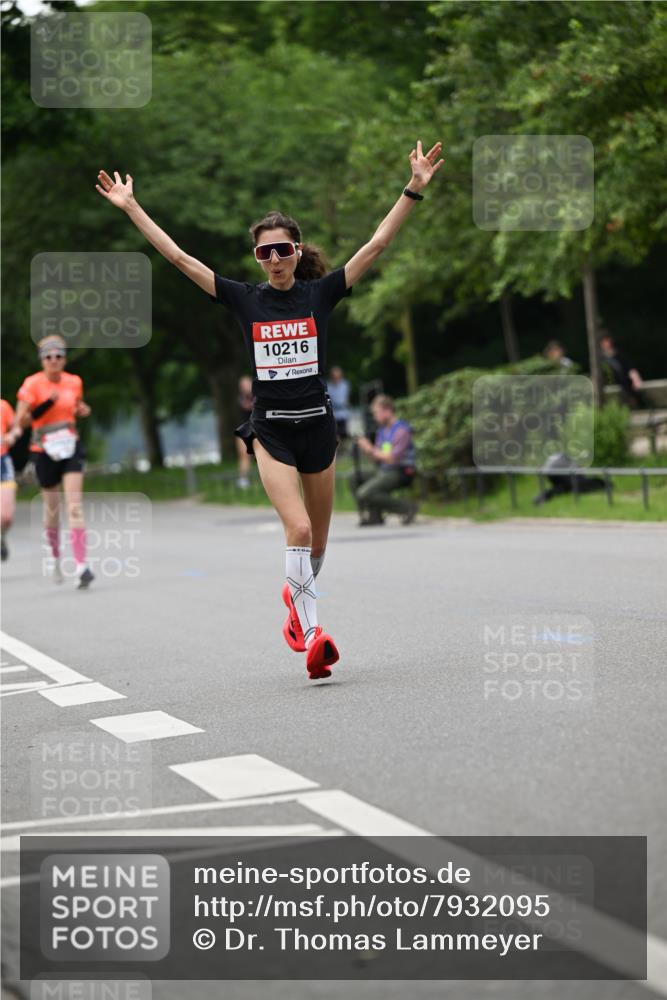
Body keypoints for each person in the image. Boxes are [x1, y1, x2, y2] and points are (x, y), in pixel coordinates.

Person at [96, 138, 444, 679]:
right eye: (265, 253)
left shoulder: (319, 295)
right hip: (272, 433)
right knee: (298, 531)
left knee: (320, 545)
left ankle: (295, 606)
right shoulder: (245, 299)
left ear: (298, 251)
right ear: (257, 259)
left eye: (283, 250)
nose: (276, 259)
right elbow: (178, 257)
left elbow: (374, 246)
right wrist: (132, 207)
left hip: (319, 430)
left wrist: (413, 190)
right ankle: (311, 637)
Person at [11, 335, 94, 588]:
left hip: (70, 446)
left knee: (74, 505)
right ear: (42, 360)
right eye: (49, 356)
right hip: (44, 449)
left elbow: (78, 406)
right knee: (53, 511)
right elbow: (20, 422)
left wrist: (83, 410)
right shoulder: (32, 385)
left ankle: (82, 565)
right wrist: (48, 403)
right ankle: (56, 555)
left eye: (59, 356)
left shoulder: (74, 382)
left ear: (64, 359)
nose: (54, 360)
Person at [351, 394, 418, 526]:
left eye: (376, 413)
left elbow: (393, 458)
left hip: (400, 471)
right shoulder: (382, 431)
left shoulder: (402, 430)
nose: (374, 417)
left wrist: (370, 449)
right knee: (353, 478)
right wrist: (366, 450)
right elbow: (377, 458)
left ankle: (407, 507)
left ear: (387, 410)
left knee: (363, 493)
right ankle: (374, 515)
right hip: (384, 470)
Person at [599, 330, 643, 408]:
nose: (608, 343)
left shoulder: (618, 354)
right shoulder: (599, 359)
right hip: (612, 385)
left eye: (608, 340)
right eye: (605, 341)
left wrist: (635, 378)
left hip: (625, 384)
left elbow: (630, 367)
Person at [1, 398, 18, 561]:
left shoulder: (3, 406)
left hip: (2, 462)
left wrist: (12, 436)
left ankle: (2, 538)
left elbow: (17, 428)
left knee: (6, 517)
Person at [236, 375, 254, 489]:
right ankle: (243, 479)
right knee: (244, 455)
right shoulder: (241, 399)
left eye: (248, 383)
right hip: (244, 430)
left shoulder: (258, 396)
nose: (247, 386)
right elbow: (247, 407)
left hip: (259, 429)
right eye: (244, 385)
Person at [327, 366, 351, 441]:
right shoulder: (328, 386)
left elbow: (346, 399)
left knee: (344, 436)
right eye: (335, 376)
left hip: (343, 414)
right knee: (334, 436)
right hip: (333, 415)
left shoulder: (345, 385)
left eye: (338, 376)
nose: (336, 378)